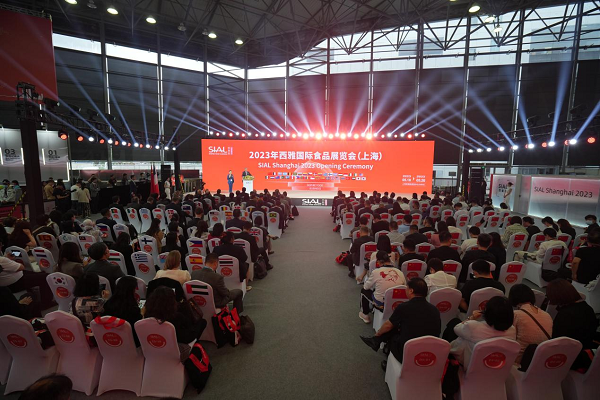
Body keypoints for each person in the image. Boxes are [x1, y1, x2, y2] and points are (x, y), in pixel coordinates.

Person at [360, 278, 441, 369]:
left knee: (392, 331)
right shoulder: (435, 310)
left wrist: (378, 334)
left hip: (407, 352)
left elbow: (388, 326)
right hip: (431, 352)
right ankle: (375, 341)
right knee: (398, 326)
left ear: (411, 291)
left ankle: (388, 363)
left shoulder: (404, 307)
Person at [450, 296, 516, 369]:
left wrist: (471, 317)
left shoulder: (473, 327)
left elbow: (456, 328)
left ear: (487, 312)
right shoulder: (512, 330)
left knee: (454, 325)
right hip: (496, 367)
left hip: (469, 367)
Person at [546, 279, 599, 370]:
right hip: (586, 350)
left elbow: (556, 340)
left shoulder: (565, 315)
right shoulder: (587, 308)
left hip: (569, 357)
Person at [508, 284, 553, 364]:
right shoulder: (547, 315)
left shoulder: (516, 315)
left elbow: (509, 337)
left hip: (519, 360)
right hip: (540, 359)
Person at [359, 251, 406, 323]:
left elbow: (366, 287)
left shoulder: (376, 272)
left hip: (382, 303)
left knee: (363, 291)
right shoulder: (400, 272)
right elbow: (404, 287)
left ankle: (365, 314)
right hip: (397, 302)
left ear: (378, 262)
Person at [100, 276, 142, 345]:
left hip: (111, 339)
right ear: (132, 290)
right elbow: (138, 328)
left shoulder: (108, 304)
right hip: (131, 343)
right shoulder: (133, 309)